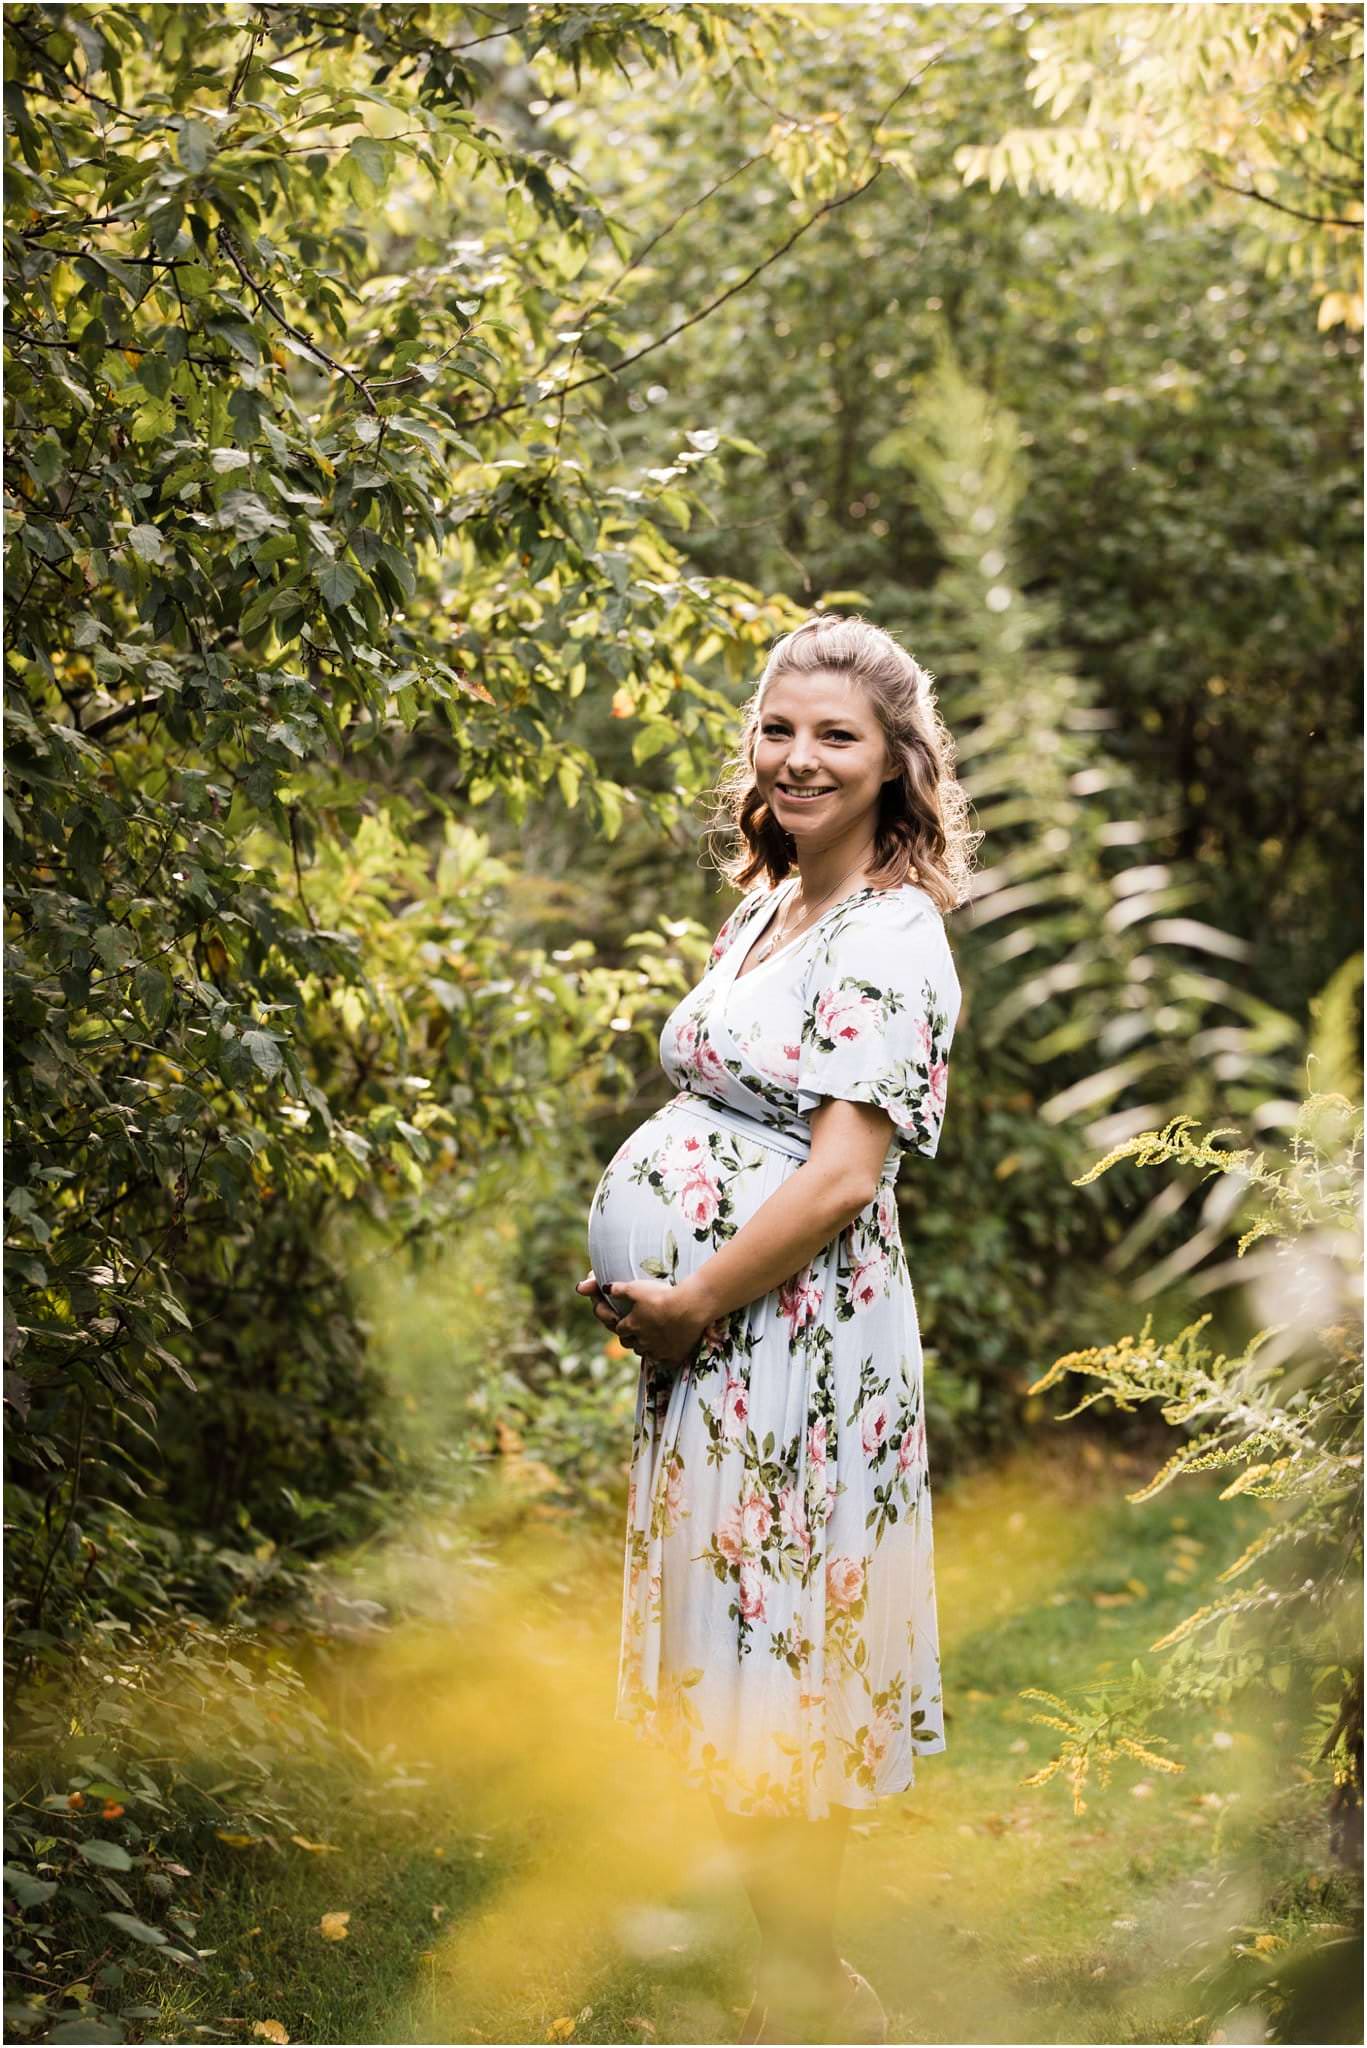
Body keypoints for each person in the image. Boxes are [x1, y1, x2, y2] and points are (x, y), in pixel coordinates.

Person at [578, 611, 976, 2043]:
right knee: (739, 1641)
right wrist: (658, 1276)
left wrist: (689, 1293)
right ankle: (786, 1976)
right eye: (780, 728)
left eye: (837, 736)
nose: (800, 758)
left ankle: (812, 1988)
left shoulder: (891, 928)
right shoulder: (771, 903)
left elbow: (843, 1173)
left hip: (796, 1344)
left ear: (893, 765)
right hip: (725, 1342)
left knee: (788, 1648)